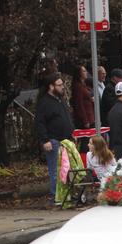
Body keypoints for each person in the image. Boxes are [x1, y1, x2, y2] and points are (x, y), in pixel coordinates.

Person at [34, 73, 74, 202]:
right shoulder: (44, 103)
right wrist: (45, 140)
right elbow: (40, 122)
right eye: (59, 85)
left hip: (65, 140)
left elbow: (66, 117)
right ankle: (55, 195)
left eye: (62, 84)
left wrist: (71, 132)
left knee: (67, 167)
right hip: (53, 140)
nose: (62, 87)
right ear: (51, 86)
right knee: (55, 169)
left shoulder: (60, 100)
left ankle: (66, 192)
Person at [71, 65, 94, 129]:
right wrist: (85, 121)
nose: (86, 72)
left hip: (90, 116)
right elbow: (79, 104)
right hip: (85, 119)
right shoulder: (78, 87)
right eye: (84, 71)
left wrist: (90, 99)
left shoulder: (83, 85)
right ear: (79, 73)